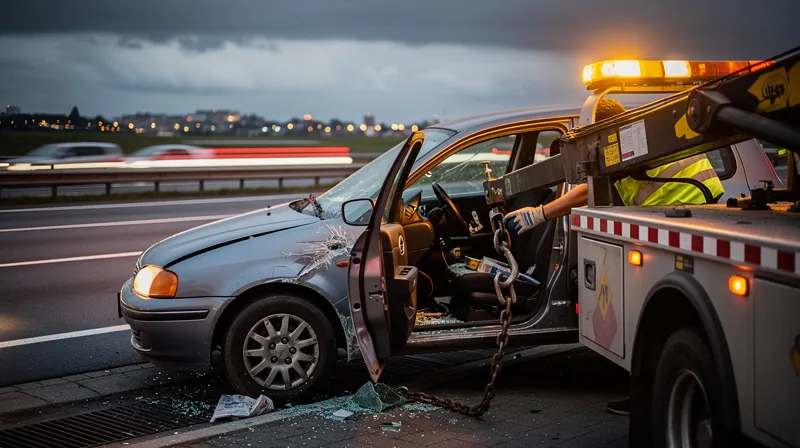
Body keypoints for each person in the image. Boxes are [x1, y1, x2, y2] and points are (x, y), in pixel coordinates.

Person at [503, 97, 725, 415]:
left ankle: (644, 396)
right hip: (697, 213)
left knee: (646, 311)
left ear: (603, 126)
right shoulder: (645, 130)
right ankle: (648, 389)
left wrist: (540, 213)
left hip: (680, 224)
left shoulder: (627, 139)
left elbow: (588, 188)